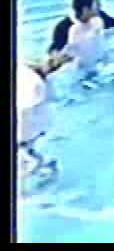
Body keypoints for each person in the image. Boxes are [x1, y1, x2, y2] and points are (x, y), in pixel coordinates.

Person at [17, 53, 73, 184]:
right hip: (36, 124)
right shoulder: (36, 82)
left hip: (30, 125)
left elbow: (26, 108)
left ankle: (35, 165)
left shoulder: (33, 83)